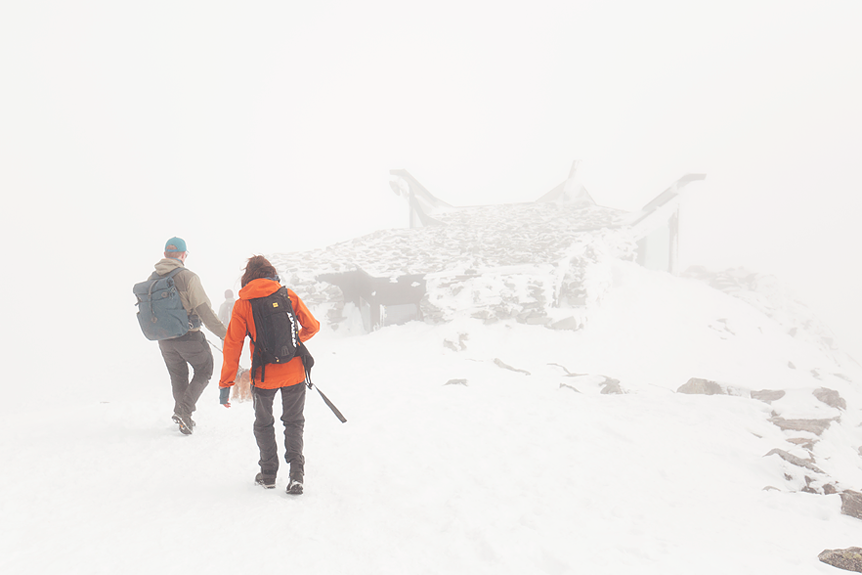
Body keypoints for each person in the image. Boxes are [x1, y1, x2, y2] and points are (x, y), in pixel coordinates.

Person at [218, 255, 320, 494]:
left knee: (264, 424)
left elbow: (233, 345)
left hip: (264, 374)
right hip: (294, 371)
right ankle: (296, 474)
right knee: (294, 422)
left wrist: (226, 383)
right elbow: (312, 326)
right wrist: (293, 344)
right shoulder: (287, 295)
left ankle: (268, 474)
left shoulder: (243, 304)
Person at [154, 237, 227, 435]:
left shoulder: (153, 278)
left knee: (178, 377)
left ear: (165, 255)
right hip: (188, 337)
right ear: (183, 255)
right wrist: (225, 335)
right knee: (204, 370)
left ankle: (183, 417)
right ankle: (184, 412)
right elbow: (204, 311)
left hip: (164, 340)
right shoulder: (188, 277)